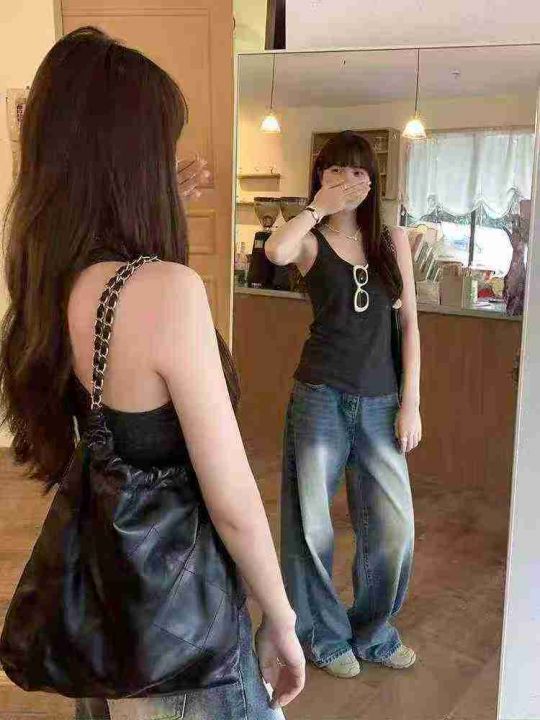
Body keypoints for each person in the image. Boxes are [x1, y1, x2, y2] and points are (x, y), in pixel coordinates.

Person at [0, 27, 304, 719]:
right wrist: (282, 620)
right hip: (182, 638)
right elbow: (231, 499)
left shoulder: (53, 281)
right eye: (162, 146)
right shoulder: (162, 291)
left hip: (113, 615)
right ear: (131, 159)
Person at [265, 131, 421, 679]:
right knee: (312, 528)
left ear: (372, 181)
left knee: (394, 531)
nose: (348, 179)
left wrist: (411, 402)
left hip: (381, 402)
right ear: (321, 177)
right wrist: (317, 207)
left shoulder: (391, 241)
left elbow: (410, 323)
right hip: (320, 397)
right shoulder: (309, 240)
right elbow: (275, 251)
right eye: (336, 170)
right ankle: (323, 636)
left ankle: (372, 632)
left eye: (358, 171)